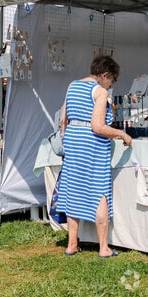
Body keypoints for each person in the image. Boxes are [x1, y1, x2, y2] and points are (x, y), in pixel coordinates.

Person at [57, 54, 132, 258]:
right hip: (92, 145)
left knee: (73, 189)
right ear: (105, 75)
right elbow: (98, 127)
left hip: (72, 140)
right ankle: (104, 247)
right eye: (112, 80)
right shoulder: (99, 91)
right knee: (99, 190)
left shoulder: (72, 85)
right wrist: (121, 134)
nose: (111, 84)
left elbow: (64, 119)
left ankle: (72, 244)